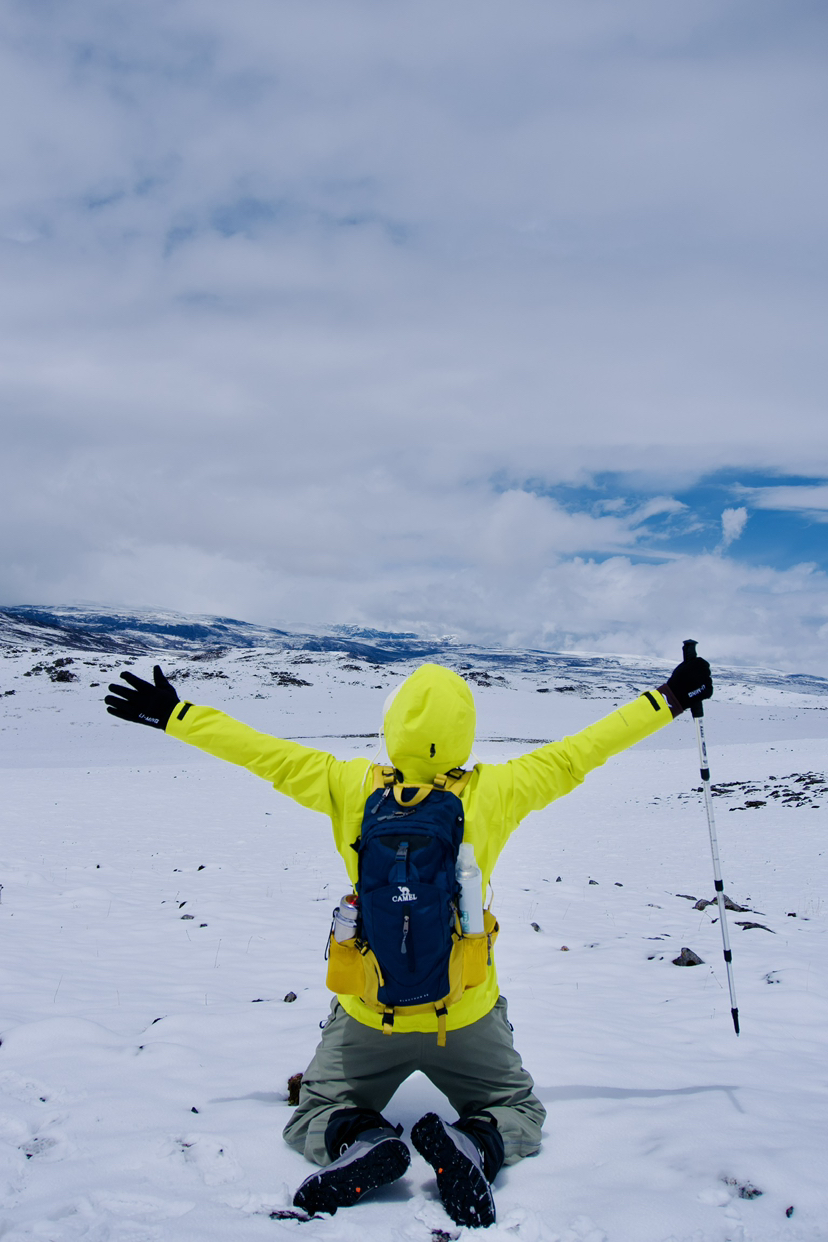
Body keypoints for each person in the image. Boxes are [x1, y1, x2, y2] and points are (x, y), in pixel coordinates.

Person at [105, 652, 712, 1227]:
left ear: (392, 726)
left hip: (370, 1014)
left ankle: (364, 1139)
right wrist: (670, 697)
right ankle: (473, 1143)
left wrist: (176, 715)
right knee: (517, 1110)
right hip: (465, 1011)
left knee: (314, 1112)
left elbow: (265, 754)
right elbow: (582, 751)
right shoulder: (497, 790)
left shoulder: (350, 785)